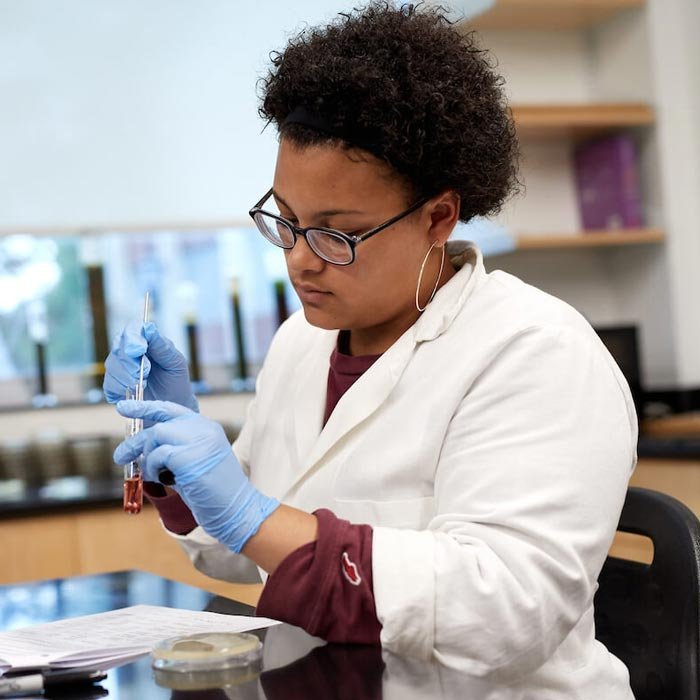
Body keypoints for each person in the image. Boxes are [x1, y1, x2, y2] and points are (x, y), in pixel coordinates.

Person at [104, 3, 637, 695]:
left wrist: (254, 515)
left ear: (437, 217)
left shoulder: (536, 351)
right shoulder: (303, 341)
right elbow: (247, 558)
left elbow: (503, 610)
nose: (299, 261)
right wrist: (182, 470)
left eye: (337, 233)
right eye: (287, 221)